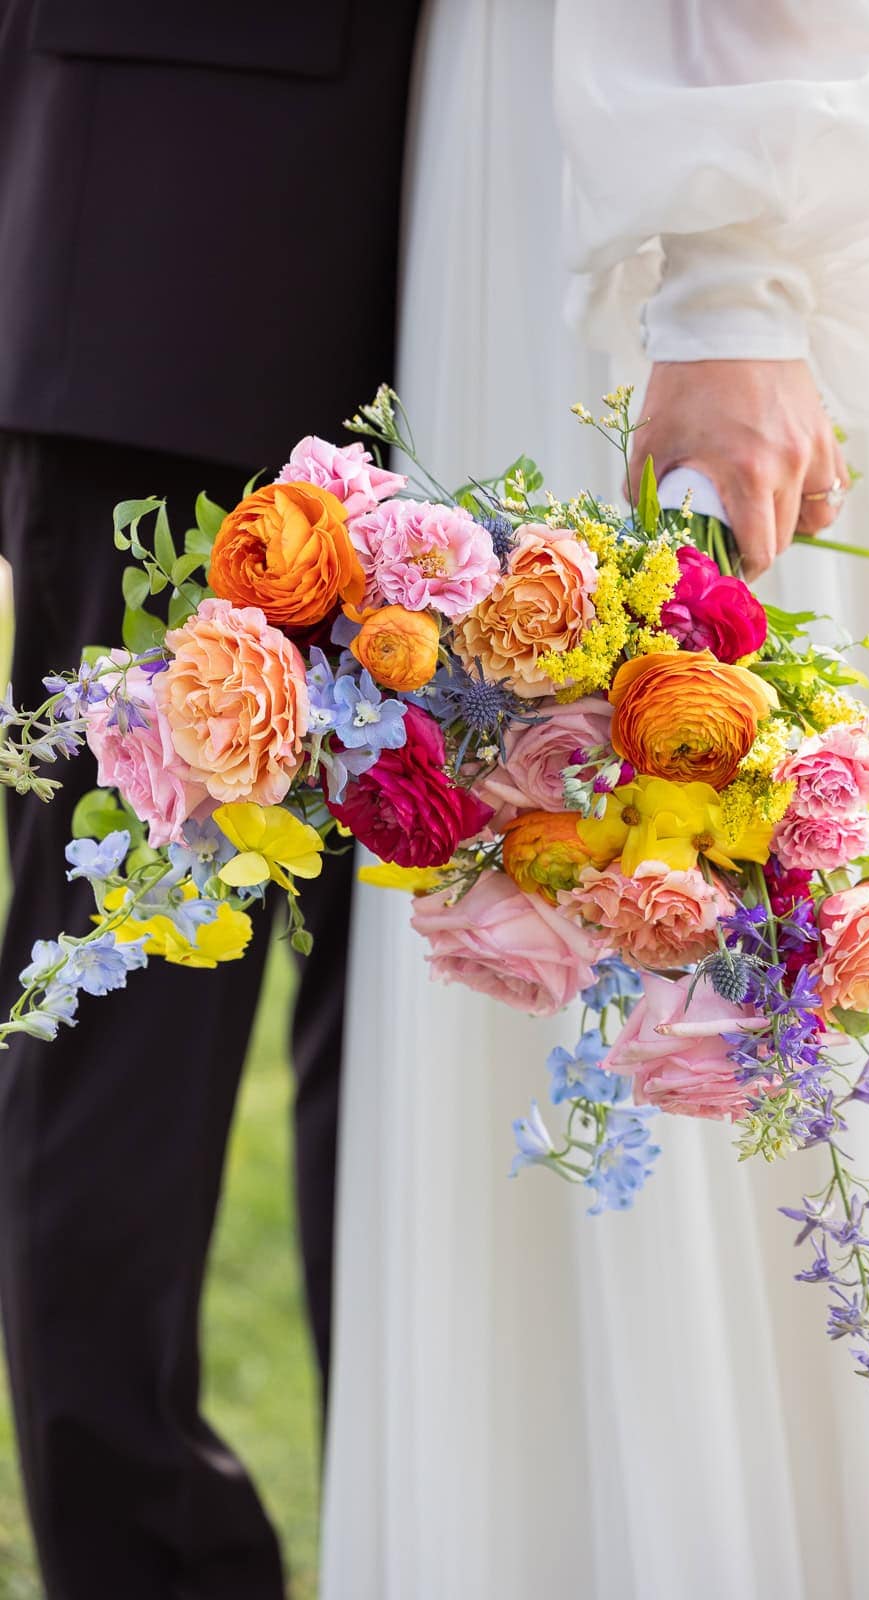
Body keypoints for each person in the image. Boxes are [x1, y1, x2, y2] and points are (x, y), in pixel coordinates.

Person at [322, 2, 869, 1597]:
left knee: (849, 845)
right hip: (653, 152)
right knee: (610, 835)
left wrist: (741, 279)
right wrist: (724, 273)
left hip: (760, 162)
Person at [0, 3, 419, 1596]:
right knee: (125, 995)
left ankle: (426, 1528)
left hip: (509, 288)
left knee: (427, 1025)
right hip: (186, 257)